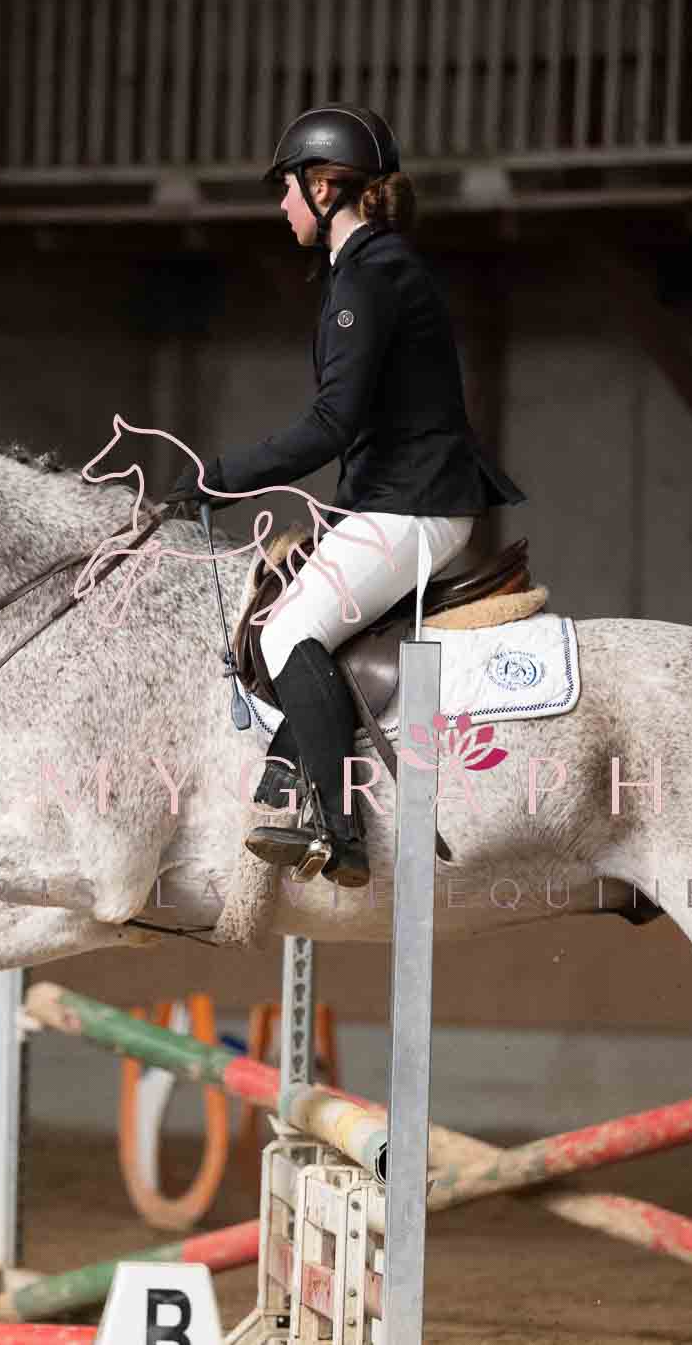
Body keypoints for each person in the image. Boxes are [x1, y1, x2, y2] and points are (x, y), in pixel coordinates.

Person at [164, 103, 525, 888]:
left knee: (287, 630)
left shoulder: (372, 274)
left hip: (414, 506)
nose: (282, 204)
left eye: (287, 188)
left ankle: (335, 823)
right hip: (396, 500)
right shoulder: (363, 270)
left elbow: (333, 423)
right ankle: (295, 775)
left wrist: (219, 475)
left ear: (324, 188)